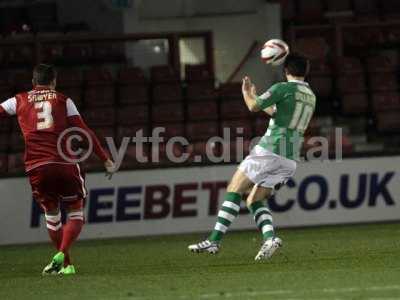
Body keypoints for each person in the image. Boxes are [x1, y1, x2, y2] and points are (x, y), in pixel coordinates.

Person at [188, 53, 316, 260]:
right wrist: (258, 98)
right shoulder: (311, 96)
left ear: (286, 71)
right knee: (254, 200)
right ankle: (270, 239)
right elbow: (278, 113)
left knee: (235, 188)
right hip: (290, 158)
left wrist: (247, 93)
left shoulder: (281, 88)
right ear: (305, 72)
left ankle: (214, 240)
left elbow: (252, 107)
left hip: (270, 149)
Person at [0, 64, 116, 274]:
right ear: (54, 82)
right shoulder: (63, 100)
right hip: (64, 163)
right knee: (75, 213)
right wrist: (105, 159)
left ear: (33, 82)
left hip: (36, 167)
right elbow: (84, 132)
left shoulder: (18, 100)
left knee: (52, 215)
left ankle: (67, 265)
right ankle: (63, 254)